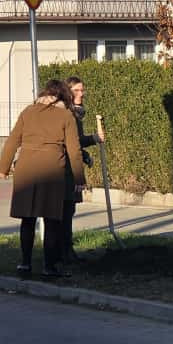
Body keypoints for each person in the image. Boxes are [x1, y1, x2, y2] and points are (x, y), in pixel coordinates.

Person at [0, 80, 85, 280]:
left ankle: (25, 263)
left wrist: (3, 167)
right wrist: (79, 178)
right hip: (52, 169)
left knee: (27, 219)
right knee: (52, 219)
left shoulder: (28, 111)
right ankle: (49, 266)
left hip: (26, 168)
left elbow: (13, 140)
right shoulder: (66, 116)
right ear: (63, 96)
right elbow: (74, 150)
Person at [63, 76, 105, 262]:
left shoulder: (77, 113)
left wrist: (93, 140)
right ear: (68, 93)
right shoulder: (69, 114)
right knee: (65, 209)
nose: (81, 94)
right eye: (76, 91)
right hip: (66, 168)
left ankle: (66, 250)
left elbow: (77, 140)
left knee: (68, 209)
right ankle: (64, 251)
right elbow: (69, 142)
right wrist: (86, 147)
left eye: (82, 90)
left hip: (72, 163)